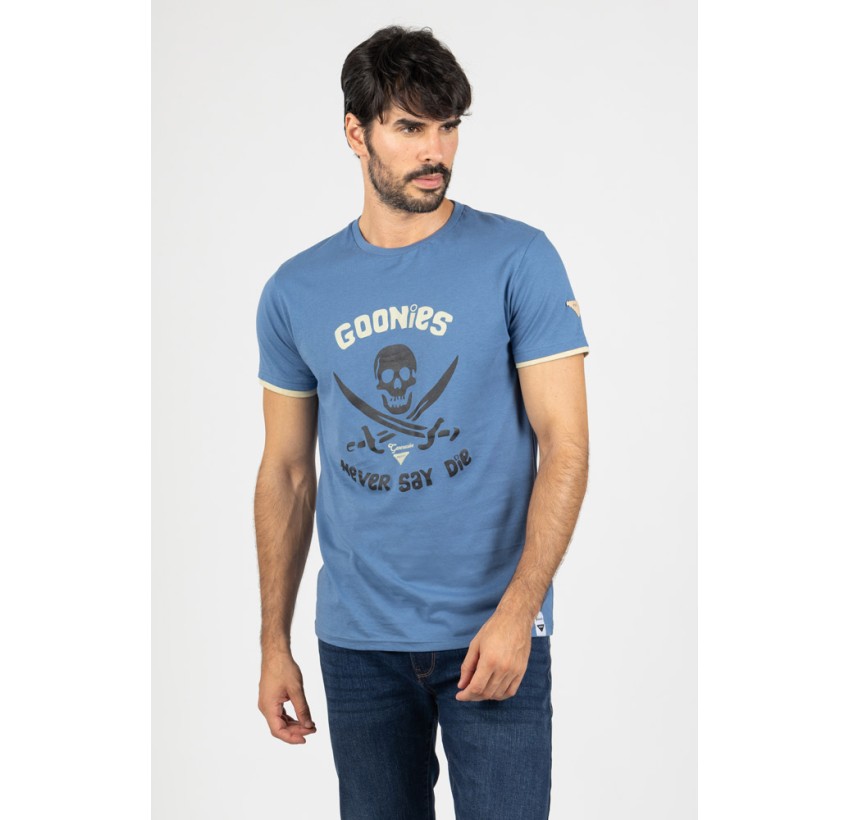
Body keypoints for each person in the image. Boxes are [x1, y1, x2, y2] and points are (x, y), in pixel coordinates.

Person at [254, 25, 590, 820]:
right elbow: (288, 473)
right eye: (409, 127)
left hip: (492, 633)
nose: (435, 150)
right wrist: (274, 643)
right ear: (356, 133)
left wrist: (519, 614)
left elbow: (566, 447)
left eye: (448, 127)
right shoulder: (296, 290)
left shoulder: (519, 259)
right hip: (358, 644)